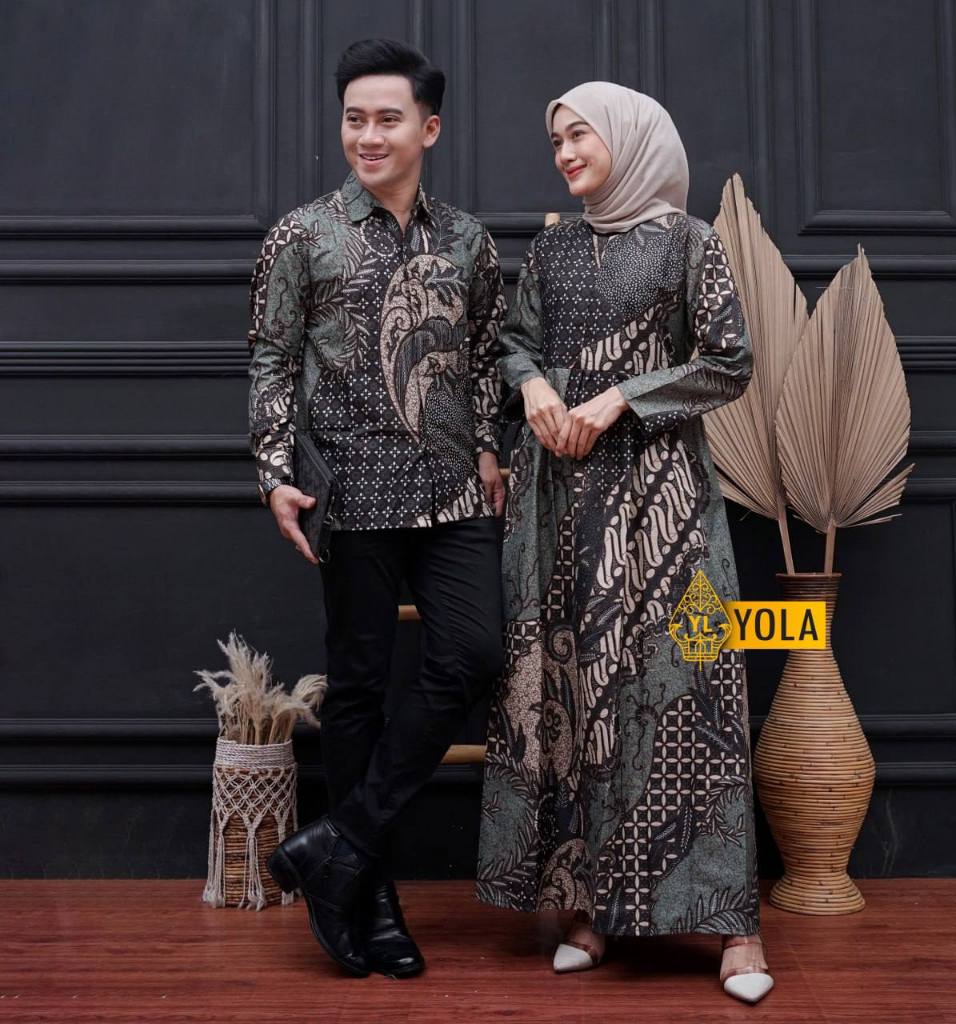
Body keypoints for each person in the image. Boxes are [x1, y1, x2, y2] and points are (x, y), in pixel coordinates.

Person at [476, 81, 774, 1004]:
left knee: (695, 684)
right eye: (556, 140)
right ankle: (588, 907)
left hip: (666, 501)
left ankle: (735, 925)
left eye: (581, 136)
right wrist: (533, 386)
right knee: (580, 691)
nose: (565, 153)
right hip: (561, 504)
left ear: (631, 140)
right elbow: (514, 343)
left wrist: (621, 398)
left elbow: (730, 363)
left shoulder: (691, 242)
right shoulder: (553, 247)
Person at [249, 38, 506, 979]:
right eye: (354, 118)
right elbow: (271, 360)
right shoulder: (301, 235)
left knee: (473, 653)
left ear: (427, 129)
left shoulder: (470, 241)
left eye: (387, 119)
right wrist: (275, 471)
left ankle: (339, 844)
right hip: (348, 493)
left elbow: (487, 358)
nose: (367, 135)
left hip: (454, 491)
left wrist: (489, 446)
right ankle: (372, 896)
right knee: (358, 689)